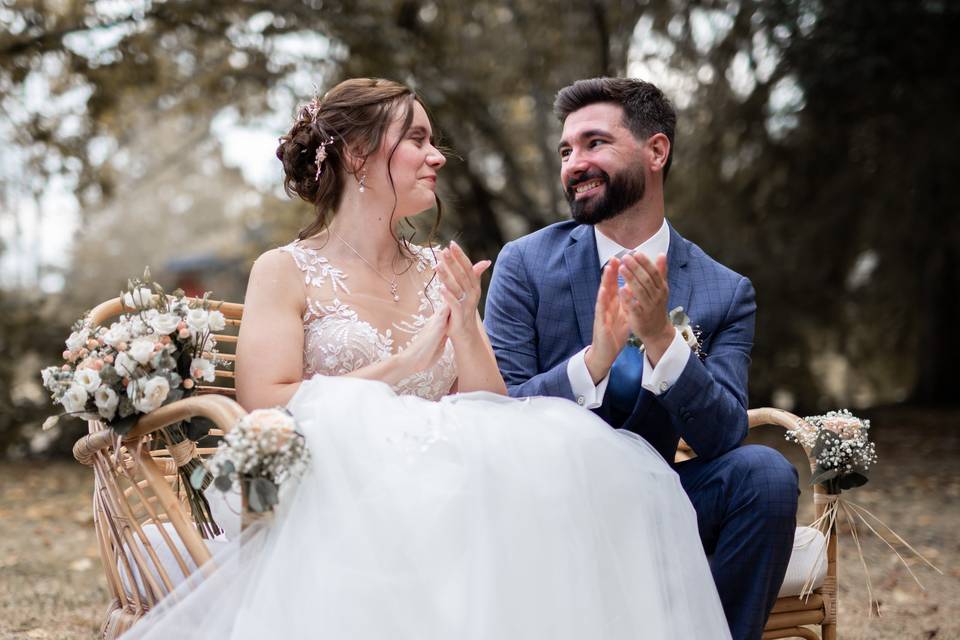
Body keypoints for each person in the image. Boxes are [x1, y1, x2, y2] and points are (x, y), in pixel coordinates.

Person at [120, 78, 729, 639]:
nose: (437, 155)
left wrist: (465, 324)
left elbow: (493, 405)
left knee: (566, 458)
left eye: (433, 140)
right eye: (416, 139)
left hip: (446, 472)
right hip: (337, 486)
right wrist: (405, 362)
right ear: (357, 156)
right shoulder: (285, 270)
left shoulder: (440, 267)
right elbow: (265, 405)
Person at [483, 77, 800, 640]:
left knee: (767, 475)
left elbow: (723, 434)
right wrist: (594, 362)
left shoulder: (724, 291)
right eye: (566, 150)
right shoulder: (524, 264)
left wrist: (662, 342)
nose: (574, 164)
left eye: (595, 143)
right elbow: (493, 407)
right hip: (547, 502)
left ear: (656, 151)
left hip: (663, 499)